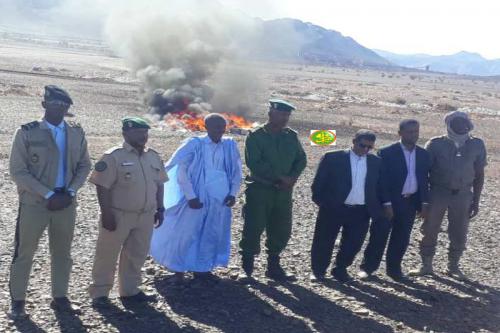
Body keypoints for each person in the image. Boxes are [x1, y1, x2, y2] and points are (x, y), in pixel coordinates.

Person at [8, 85, 91, 318]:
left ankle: (60, 297)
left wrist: (71, 192)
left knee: (63, 252)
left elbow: (85, 165)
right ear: (44, 105)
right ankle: (18, 301)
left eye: (64, 105)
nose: (59, 109)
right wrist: (48, 194)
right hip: (35, 203)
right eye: (54, 104)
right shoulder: (27, 132)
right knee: (24, 252)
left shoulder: (75, 132)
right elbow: (18, 171)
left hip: (66, 202)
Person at [150, 113, 242, 283]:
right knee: (186, 233)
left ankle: (203, 268)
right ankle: (177, 268)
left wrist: (233, 193)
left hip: (220, 200)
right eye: (216, 127)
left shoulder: (229, 145)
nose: (220, 131)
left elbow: (236, 171)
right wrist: (190, 196)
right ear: (206, 127)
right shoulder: (194, 144)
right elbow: (181, 170)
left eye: (222, 128)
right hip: (196, 199)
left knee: (211, 233)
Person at [88, 117, 168, 306]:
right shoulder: (113, 156)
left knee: (137, 253)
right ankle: (99, 293)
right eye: (138, 132)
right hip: (119, 214)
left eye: (145, 132)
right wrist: (106, 214)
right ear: (125, 133)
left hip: (146, 215)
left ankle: (130, 291)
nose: (143, 136)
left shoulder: (153, 156)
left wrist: (160, 207)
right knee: (107, 254)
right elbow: (102, 186)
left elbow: (159, 183)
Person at [410, 111, 487, 280]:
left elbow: (479, 174)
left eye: (464, 122)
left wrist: (476, 201)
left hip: (463, 195)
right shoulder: (435, 144)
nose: (461, 126)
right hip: (438, 192)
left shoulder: (477, 145)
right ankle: (426, 265)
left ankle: (453, 267)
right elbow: (423, 173)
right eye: (456, 123)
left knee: (460, 231)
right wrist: (422, 200)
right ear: (448, 124)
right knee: (429, 229)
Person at [310, 130, 391, 283]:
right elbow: (318, 183)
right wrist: (323, 203)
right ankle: (318, 271)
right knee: (324, 240)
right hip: (333, 208)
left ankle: (340, 269)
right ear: (354, 141)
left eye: (370, 147)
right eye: (363, 146)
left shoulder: (376, 162)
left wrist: (386, 204)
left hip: (361, 211)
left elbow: (381, 186)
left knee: (353, 243)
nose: (366, 150)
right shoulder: (333, 157)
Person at [239, 99, 307, 281]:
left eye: (287, 115)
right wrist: (280, 177)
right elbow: (254, 162)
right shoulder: (256, 136)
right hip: (260, 190)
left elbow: (301, 159)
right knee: (253, 227)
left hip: (284, 192)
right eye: (281, 114)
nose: (285, 118)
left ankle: (274, 267)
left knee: (281, 228)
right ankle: (247, 268)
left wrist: (292, 178)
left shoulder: (291, 136)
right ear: (270, 114)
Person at [358, 120, 431, 281]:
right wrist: (386, 203)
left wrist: (424, 203)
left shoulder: (423, 154)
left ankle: (394, 270)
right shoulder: (387, 152)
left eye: (416, 131)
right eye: (410, 132)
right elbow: (381, 181)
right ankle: (368, 268)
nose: (414, 135)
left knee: (402, 238)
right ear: (400, 133)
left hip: (410, 203)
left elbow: (424, 180)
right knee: (379, 235)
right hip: (388, 203)